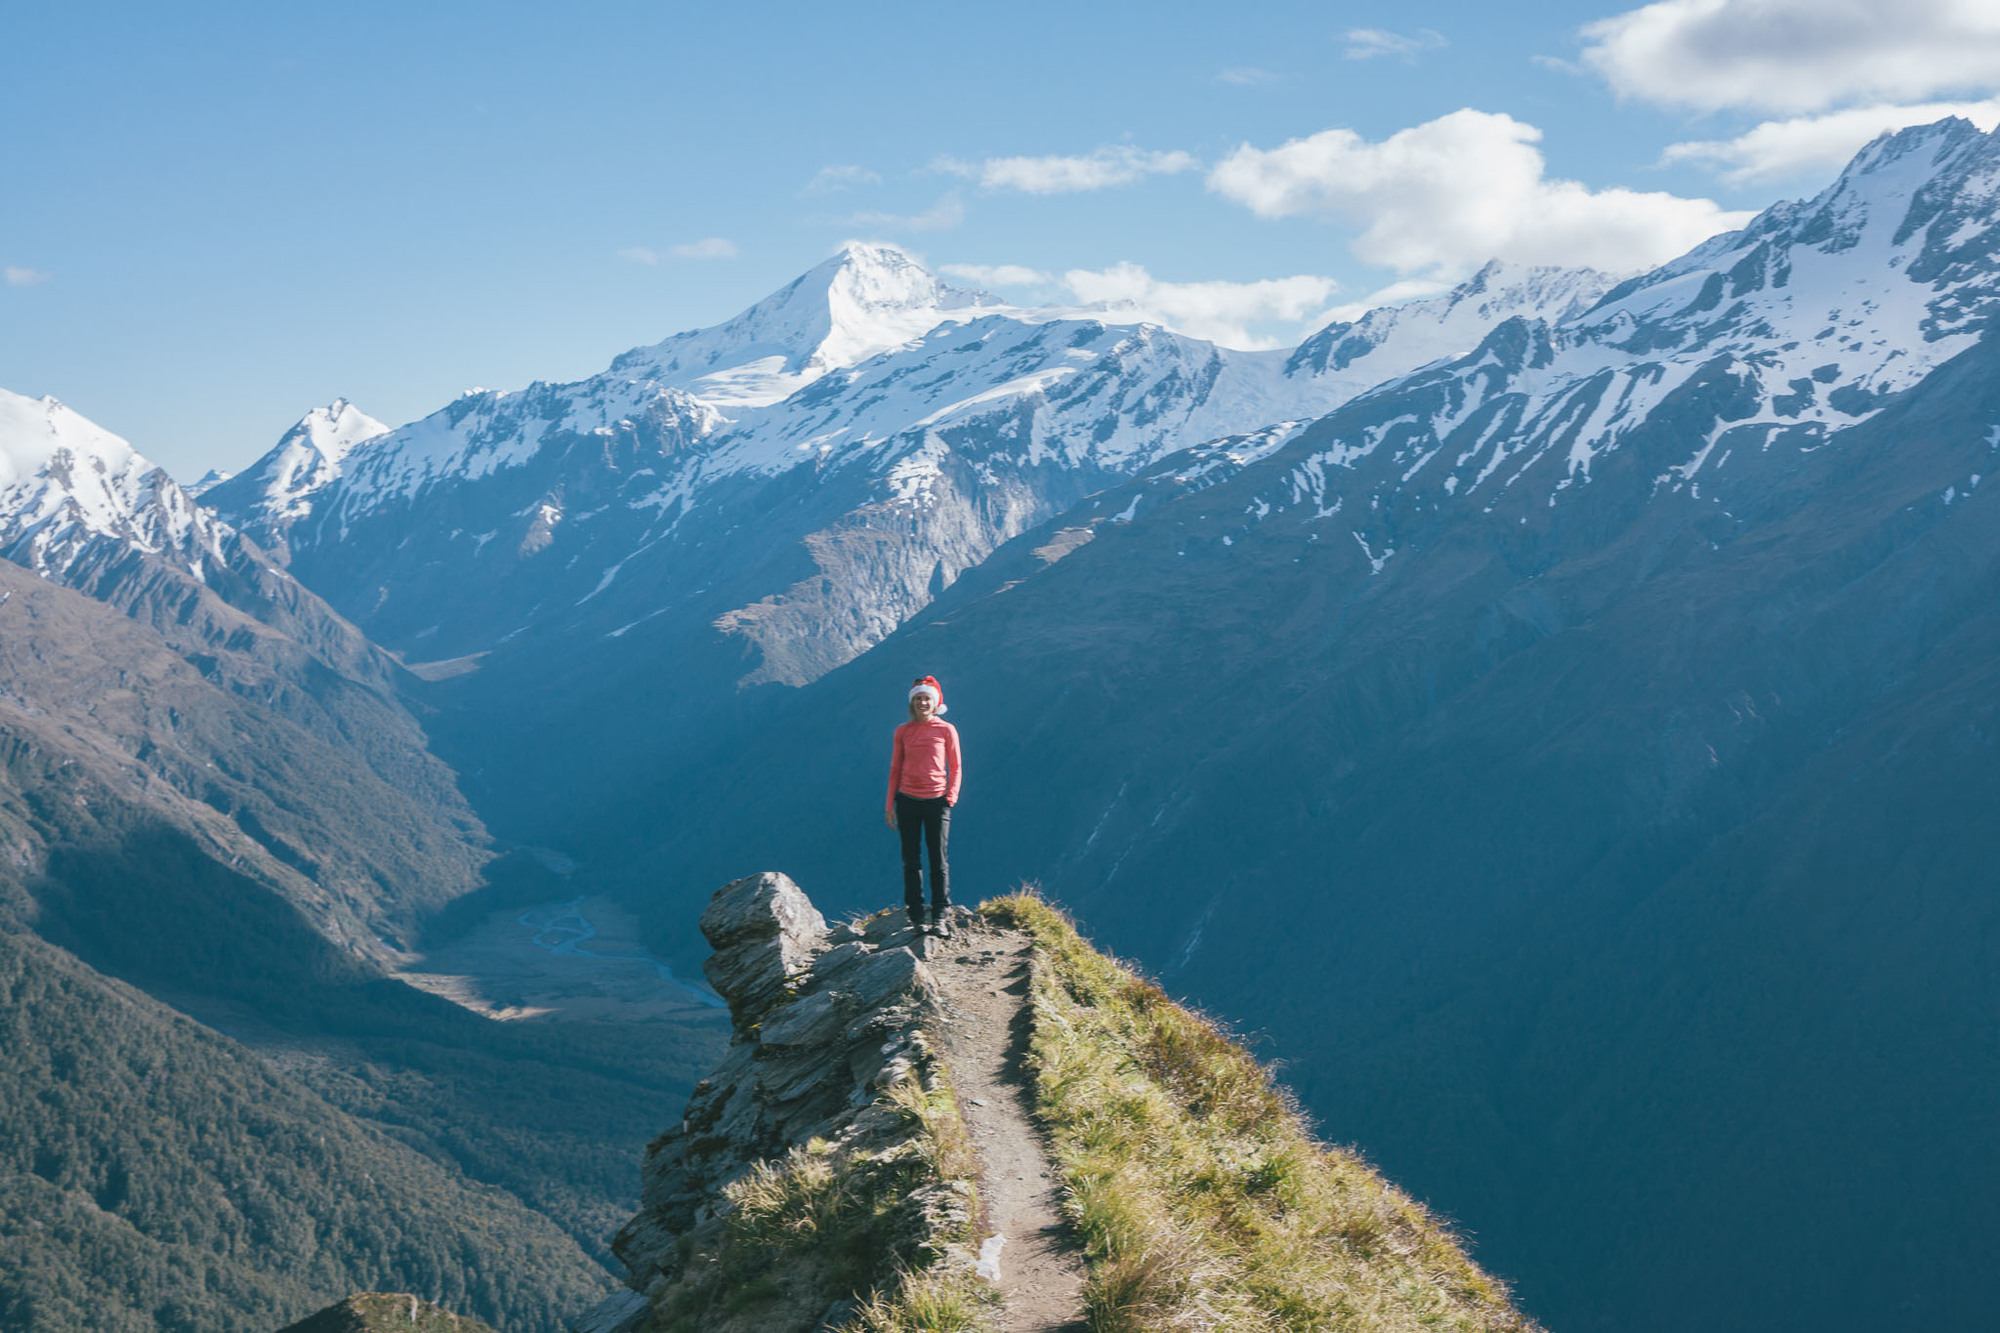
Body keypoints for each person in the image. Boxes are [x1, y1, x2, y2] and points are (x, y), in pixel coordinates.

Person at [885, 674, 962, 937]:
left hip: (937, 801)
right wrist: (889, 805)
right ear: (912, 702)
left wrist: (951, 796)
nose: (922, 703)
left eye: (926, 698)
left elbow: (956, 766)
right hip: (907, 800)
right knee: (911, 860)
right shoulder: (902, 732)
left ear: (935, 702)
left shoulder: (946, 730)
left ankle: (940, 913)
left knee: (938, 859)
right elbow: (895, 768)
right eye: (917, 698)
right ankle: (916, 914)